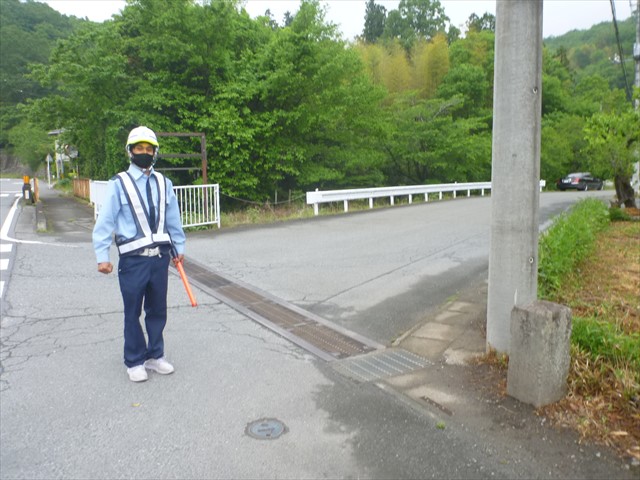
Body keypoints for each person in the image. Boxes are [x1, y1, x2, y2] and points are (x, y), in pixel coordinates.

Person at [92, 126, 186, 382]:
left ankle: (155, 355)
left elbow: (173, 220)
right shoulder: (118, 183)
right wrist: (102, 256)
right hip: (133, 260)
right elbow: (106, 221)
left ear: (155, 152)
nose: (144, 152)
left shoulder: (164, 183)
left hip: (160, 259)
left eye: (148, 149)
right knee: (133, 311)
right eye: (139, 148)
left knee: (158, 310)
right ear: (131, 152)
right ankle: (134, 360)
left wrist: (179, 248)